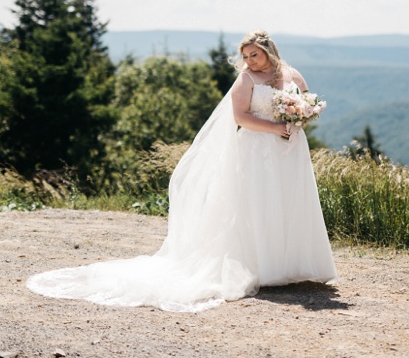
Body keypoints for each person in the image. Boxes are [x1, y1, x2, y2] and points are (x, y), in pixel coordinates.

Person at [26, 29, 337, 312]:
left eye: (253, 54)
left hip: (290, 151)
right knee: (258, 204)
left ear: (269, 51)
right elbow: (241, 118)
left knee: (289, 201)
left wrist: (300, 118)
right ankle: (265, 267)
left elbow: (306, 102)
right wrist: (275, 127)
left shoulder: (291, 74)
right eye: (245, 56)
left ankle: (294, 264)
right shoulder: (245, 81)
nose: (249, 61)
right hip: (258, 150)